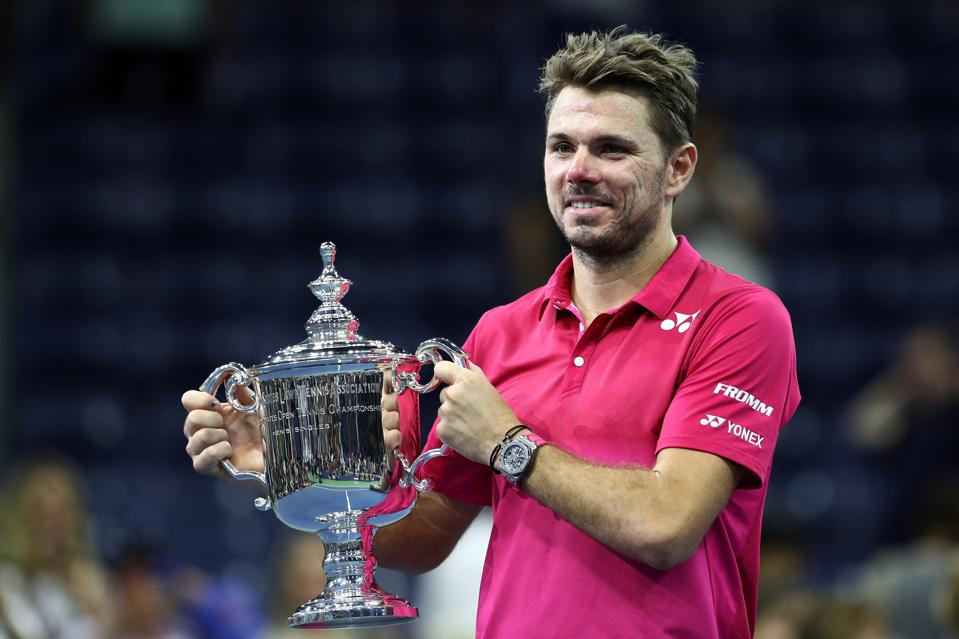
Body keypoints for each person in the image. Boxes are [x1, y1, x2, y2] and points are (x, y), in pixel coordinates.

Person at [183, 27, 800, 638]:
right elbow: (419, 540)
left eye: (611, 149)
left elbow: (667, 524)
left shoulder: (740, 317)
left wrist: (509, 443)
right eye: (562, 147)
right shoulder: (501, 332)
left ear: (678, 169)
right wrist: (292, 463)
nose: (579, 171)